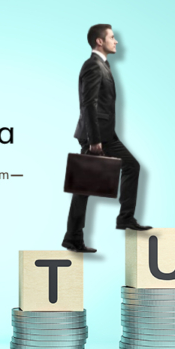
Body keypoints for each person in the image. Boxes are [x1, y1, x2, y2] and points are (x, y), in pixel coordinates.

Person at [62, 24, 151, 253]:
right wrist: (93, 140)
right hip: (97, 137)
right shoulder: (92, 66)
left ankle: (124, 219)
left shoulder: (103, 65)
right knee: (82, 187)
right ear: (100, 41)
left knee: (130, 167)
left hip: (107, 135)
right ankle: (73, 238)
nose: (116, 41)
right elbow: (88, 104)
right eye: (112, 37)